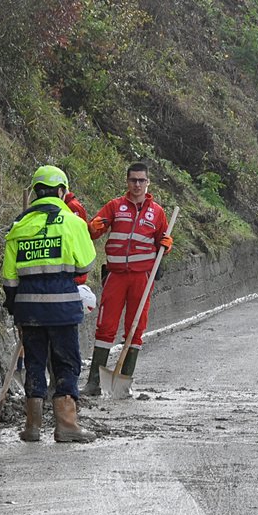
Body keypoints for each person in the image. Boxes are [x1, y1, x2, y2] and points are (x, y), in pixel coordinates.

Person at [3, 164, 99, 443]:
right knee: (66, 363)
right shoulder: (73, 222)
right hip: (62, 308)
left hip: (29, 308)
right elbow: (86, 263)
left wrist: (15, 308)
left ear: (35, 192)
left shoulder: (19, 226)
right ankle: (67, 424)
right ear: (61, 191)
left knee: (34, 363)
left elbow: (9, 279)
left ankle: (32, 426)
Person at [84, 161, 173, 395]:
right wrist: (94, 226)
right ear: (127, 181)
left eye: (141, 180)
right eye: (133, 180)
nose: (137, 184)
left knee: (135, 327)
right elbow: (92, 232)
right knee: (105, 327)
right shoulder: (115, 206)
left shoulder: (158, 212)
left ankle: (125, 379)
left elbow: (162, 243)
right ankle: (93, 383)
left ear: (148, 183)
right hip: (115, 275)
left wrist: (167, 244)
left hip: (142, 278)